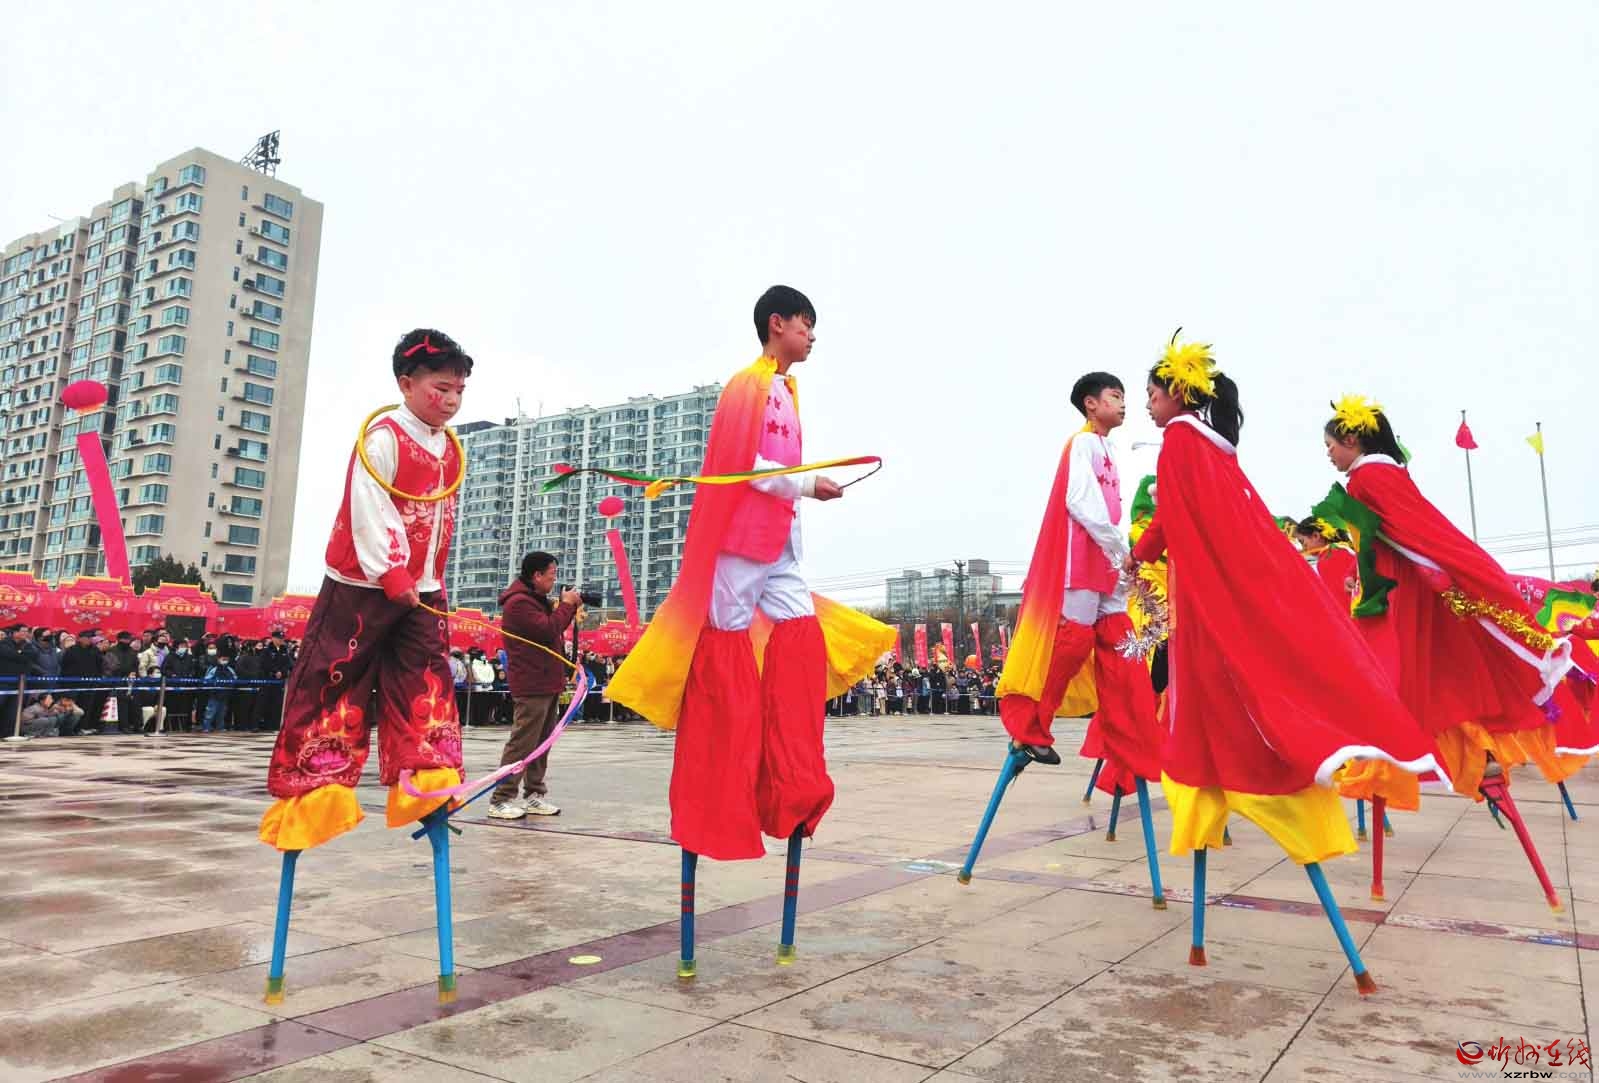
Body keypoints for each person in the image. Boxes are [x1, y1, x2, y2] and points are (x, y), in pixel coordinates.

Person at [1131, 334, 1444, 990]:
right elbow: (1185, 518)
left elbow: (1173, 519)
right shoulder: (1210, 448)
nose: (1148, 405)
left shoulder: (1181, 441)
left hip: (1206, 612)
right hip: (1207, 603)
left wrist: (1134, 554)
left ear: (1178, 392)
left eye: (1152, 393)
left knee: (1227, 723)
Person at [605, 286, 893, 963]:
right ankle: (722, 780)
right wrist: (808, 484)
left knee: (801, 636)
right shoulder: (748, 385)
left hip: (779, 546)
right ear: (777, 324)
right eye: (806, 325)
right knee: (727, 654)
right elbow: (747, 468)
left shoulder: (787, 391)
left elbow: (781, 473)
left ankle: (791, 773)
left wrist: (802, 497)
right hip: (739, 543)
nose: (812, 336)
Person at [1321, 397, 1598, 808]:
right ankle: (1476, 756)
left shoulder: (1368, 478)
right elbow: (1395, 540)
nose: (1328, 454)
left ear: (1351, 439)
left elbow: (1407, 538)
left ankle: (1410, 761)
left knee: (1403, 679)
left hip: (1411, 596)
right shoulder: (1386, 475)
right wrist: (1362, 574)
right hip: (1418, 589)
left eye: (1330, 445)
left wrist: (1425, 578)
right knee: (1444, 678)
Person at [259, 328, 471, 852]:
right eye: (441, 388)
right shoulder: (384, 437)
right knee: (334, 680)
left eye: (459, 391)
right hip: (363, 584)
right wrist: (391, 572)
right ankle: (317, 791)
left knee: (427, 677)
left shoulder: (448, 447)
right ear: (406, 383)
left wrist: (422, 578)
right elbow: (370, 507)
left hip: (423, 587)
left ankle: (428, 776)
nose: (451, 400)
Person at [995, 371, 1164, 815]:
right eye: (1115, 396)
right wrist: (1121, 550)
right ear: (1091, 403)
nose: (1124, 404)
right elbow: (1081, 502)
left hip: (1106, 561)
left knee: (1121, 640)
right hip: (1082, 559)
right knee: (1072, 643)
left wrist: (1120, 557)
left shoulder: (1108, 448)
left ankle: (1131, 733)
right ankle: (1032, 726)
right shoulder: (1082, 444)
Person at [488, 551, 579, 819]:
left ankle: (534, 794)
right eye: (552, 575)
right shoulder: (519, 603)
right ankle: (501, 799)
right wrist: (566, 606)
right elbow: (548, 629)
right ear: (537, 575)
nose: (554, 581)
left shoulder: (537, 601)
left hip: (547, 680)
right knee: (523, 742)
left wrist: (567, 607)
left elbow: (551, 629)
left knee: (542, 742)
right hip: (531, 682)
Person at [1294, 517, 1358, 610]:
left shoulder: (1327, 559)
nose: (1303, 548)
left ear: (1316, 536)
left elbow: (1343, 599)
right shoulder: (1343, 550)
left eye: (1302, 542)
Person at [60, 629, 104, 733]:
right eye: (86, 638)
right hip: (73, 684)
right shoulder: (72, 650)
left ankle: (82, 727)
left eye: (90, 638)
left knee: (87, 706)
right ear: (80, 639)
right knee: (73, 706)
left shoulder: (95, 650)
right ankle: (69, 728)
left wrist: (97, 679)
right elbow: (64, 666)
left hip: (90, 684)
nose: (89, 640)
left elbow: (99, 666)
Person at [255, 629, 293, 731]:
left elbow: (288, 663)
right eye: (278, 638)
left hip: (279, 681)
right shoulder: (266, 650)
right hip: (267, 679)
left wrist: (282, 672)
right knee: (262, 703)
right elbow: (264, 663)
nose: (281, 640)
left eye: (282, 639)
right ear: (273, 638)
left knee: (276, 704)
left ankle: (273, 725)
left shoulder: (284, 650)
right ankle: (256, 725)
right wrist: (275, 671)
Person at [201, 652, 239, 733]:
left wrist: (230, 685)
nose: (225, 660)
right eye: (223, 659)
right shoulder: (213, 668)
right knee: (210, 712)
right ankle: (206, 727)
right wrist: (213, 685)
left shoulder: (230, 669)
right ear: (218, 659)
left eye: (226, 659)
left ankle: (220, 727)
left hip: (225, 694)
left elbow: (235, 679)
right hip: (214, 694)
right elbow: (206, 679)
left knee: (222, 713)